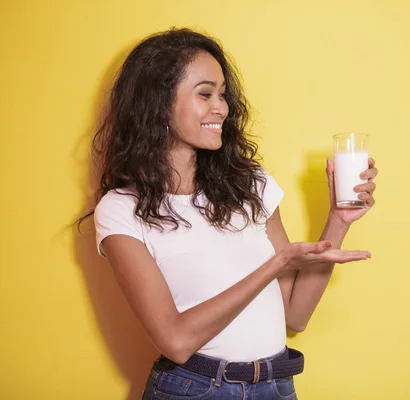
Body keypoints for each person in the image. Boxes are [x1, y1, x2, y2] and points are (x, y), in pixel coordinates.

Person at [79, 27, 378, 400]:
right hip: (193, 389)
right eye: (205, 94)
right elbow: (175, 341)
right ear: (156, 103)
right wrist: (275, 265)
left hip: (276, 386)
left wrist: (338, 220)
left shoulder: (251, 185)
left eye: (222, 94)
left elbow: (295, 316)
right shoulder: (121, 210)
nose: (221, 107)